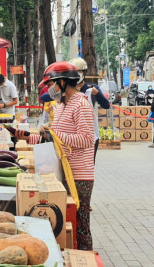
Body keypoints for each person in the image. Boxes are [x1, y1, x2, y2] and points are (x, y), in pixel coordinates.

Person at [16, 61, 96, 250]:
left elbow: (86, 139)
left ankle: (85, 258)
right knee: (67, 220)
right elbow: (54, 140)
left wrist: (53, 134)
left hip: (79, 175)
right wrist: (29, 138)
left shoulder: (81, 104)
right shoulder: (60, 105)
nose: (49, 90)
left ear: (62, 82)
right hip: (62, 170)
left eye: (50, 85)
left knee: (81, 223)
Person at [41, 58, 109, 162]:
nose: (78, 74)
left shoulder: (84, 99)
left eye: (80, 71)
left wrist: (97, 94)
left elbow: (86, 139)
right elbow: (44, 97)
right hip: (68, 161)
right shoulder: (64, 103)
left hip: (80, 163)